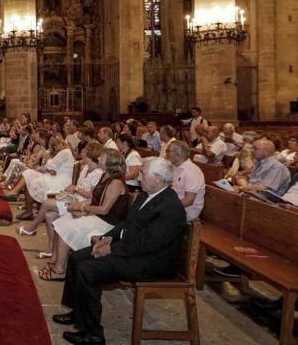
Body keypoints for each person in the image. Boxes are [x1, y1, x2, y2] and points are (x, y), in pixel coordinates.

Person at [53, 158, 187, 345]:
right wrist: (106, 238)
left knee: (88, 270)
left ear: (158, 178)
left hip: (150, 262)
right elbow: (126, 224)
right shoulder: (145, 195)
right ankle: (78, 313)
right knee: (76, 258)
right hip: (133, 250)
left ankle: (93, 335)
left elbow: (149, 243)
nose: (139, 178)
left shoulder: (171, 207)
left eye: (143, 174)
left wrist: (112, 249)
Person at [43, 149, 130, 281]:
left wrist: (82, 207)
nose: (99, 158)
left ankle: (60, 270)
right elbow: (94, 198)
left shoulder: (116, 182)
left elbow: (104, 209)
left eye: (102, 157)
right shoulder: (105, 175)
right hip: (97, 216)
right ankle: (55, 261)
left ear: (110, 163)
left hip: (107, 223)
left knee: (66, 228)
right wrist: (78, 204)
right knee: (59, 223)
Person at [166, 140, 205, 221]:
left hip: (186, 212)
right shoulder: (175, 166)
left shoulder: (191, 171)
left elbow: (188, 201)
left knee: (151, 217)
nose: (166, 154)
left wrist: (166, 207)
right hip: (175, 204)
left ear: (177, 154)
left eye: (168, 151)